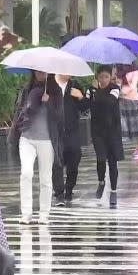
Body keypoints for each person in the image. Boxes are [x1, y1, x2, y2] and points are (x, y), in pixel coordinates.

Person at [11, 71, 63, 225]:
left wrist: (49, 102)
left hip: (46, 140)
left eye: (44, 72)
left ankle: (44, 214)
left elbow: (60, 117)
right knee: (26, 173)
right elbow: (19, 110)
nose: (41, 74)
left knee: (45, 179)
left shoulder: (56, 91)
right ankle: (26, 213)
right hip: (27, 138)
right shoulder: (27, 89)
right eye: (38, 71)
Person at [87, 65, 124, 208]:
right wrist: (80, 97)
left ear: (111, 77)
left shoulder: (115, 88)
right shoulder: (91, 90)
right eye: (101, 77)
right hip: (97, 131)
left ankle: (113, 191)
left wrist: (96, 92)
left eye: (106, 77)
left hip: (112, 131)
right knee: (101, 158)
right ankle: (101, 182)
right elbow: (86, 104)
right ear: (97, 77)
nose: (103, 80)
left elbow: (109, 102)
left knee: (112, 162)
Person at [52, 74, 89, 207]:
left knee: (74, 157)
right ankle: (59, 192)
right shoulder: (50, 85)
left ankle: (69, 188)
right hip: (54, 131)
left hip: (72, 130)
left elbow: (85, 107)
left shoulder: (75, 85)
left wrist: (81, 97)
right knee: (57, 162)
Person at [116, 65, 138, 159]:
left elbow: (133, 86)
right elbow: (115, 82)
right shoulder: (118, 69)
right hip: (120, 100)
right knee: (122, 123)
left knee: (135, 125)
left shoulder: (135, 71)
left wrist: (122, 91)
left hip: (132, 100)